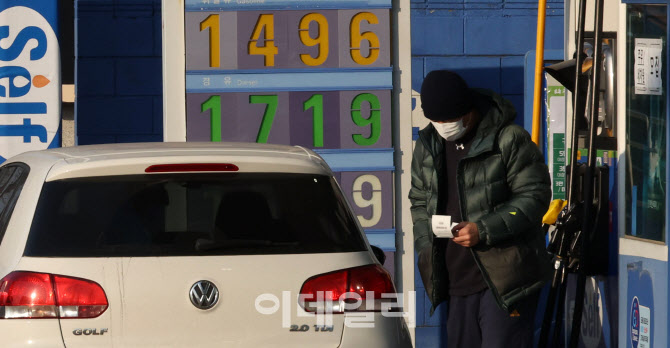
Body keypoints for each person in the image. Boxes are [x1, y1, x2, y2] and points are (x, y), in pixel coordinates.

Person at [409, 70, 552, 347]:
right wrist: (426, 245)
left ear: (467, 112)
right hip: (455, 280)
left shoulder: (508, 140)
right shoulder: (428, 147)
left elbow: (534, 196)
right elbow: (418, 199)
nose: (442, 126)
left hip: (504, 281)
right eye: (435, 120)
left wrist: (484, 230)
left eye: (448, 120)